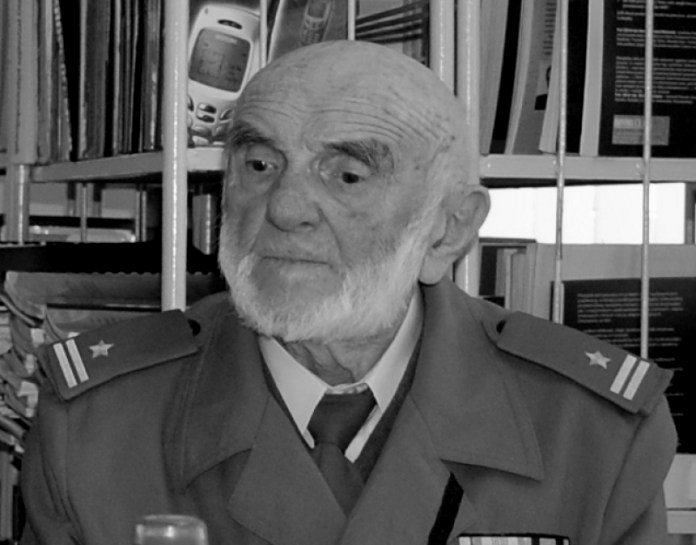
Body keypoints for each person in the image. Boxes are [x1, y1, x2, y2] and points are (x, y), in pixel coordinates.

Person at [20, 40, 676, 545]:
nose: (285, 208)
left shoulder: (588, 432)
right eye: (259, 164)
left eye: (348, 175)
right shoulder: (97, 427)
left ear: (448, 230)